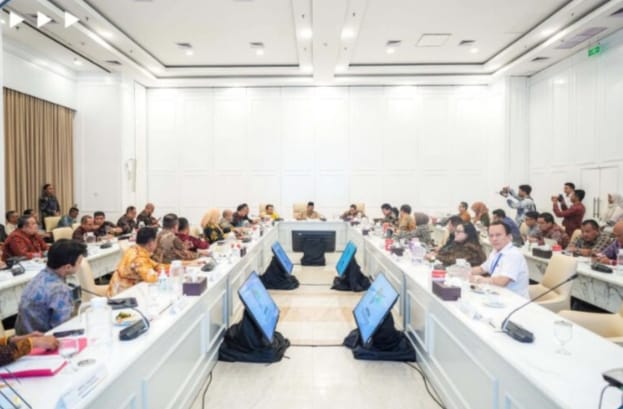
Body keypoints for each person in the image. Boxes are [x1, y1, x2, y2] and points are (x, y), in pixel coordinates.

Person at [15, 240, 87, 334]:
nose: (80, 265)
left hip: (23, 336)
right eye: (79, 262)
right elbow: (63, 329)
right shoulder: (59, 290)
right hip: (41, 338)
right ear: (68, 267)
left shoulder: (40, 276)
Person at [470, 221, 529, 298]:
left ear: (509, 237)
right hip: (497, 293)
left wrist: (481, 279)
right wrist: (465, 271)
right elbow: (482, 269)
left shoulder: (513, 254)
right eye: (491, 236)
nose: (494, 239)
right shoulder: (495, 251)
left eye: (498, 235)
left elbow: (502, 281)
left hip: (513, 299)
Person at [107, 228, 164, 296]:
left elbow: (153, 264)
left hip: (119, 286)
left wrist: (161, 267)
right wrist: (163, 273)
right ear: (151, 243)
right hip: (123, 294)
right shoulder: (139, 258)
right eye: (156, 241)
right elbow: (151, 278)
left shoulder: (134, 248)